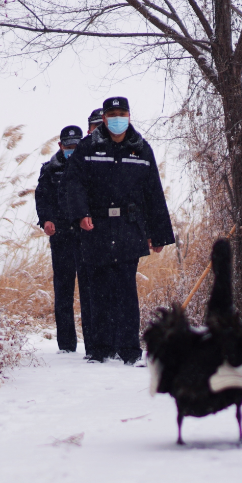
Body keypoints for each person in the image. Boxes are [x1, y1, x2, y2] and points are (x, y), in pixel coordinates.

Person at [61, 96, 175, 364]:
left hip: (128, 228)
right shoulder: (88, 147)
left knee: (126, 290)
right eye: (112, 113)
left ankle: (129, 351)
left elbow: (153, 192)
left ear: (129, 116)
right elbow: (72, 184)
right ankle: (99, 350)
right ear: (104, 118)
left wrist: (158, 234)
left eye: (121, 113)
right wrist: (80, 215)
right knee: (98, 290)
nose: (116, 118)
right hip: (96, 228)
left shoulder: (141, 149)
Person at [35, 125, 92, 353]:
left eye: (75, 146)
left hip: (85, 237)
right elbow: (42, 197)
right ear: (60, 146)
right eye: (68, 146)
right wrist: (46, 220)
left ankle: (93, 343)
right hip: (61, 238)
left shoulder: (89, 166)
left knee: (89, 291)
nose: (71, 150)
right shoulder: (49, 169)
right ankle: (66, 345)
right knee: (63, 291)